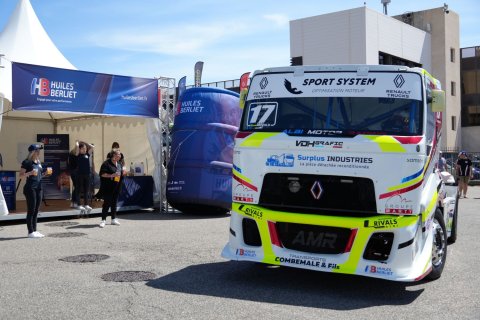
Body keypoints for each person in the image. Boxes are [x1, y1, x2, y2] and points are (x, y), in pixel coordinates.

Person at [19, 144, 52, 238]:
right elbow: (21, 175)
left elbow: (39, 176)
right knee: (31, 210)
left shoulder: (38, 162)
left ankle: (35, 230)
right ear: (33, 152)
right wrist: (30, 173)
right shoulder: (27, 162)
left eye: (39, 151)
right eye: (37, 151)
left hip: (38, 188)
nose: (39, 152)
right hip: (30, 188)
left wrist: (45, 173)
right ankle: (30, 232)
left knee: (36, 210)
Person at [98, 149, 124, 227]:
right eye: (118, 154)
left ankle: (113, 219)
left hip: (117, 186)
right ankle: (103, 220)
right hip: (108, 187)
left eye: (120, 154)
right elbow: (102, 174)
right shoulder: (106, 163)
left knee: (114, 203)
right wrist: (111, 175)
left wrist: (124, 173)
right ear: (113, 155)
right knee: (107, 203)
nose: (120, 156)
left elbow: (120, 174)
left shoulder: (119, 164)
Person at [75, 140, 94, 212]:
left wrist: (86, 143)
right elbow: (77, 146)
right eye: (83, 148)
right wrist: (77, 143)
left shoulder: (87, 155)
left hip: (87, 174)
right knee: (79, 190)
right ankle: (79, 205)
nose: (85, 149)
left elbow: (92, 147)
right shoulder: (78, 155)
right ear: (80, 149)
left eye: (85, 148)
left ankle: (86, 204)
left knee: (87, 190)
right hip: (80, 174)